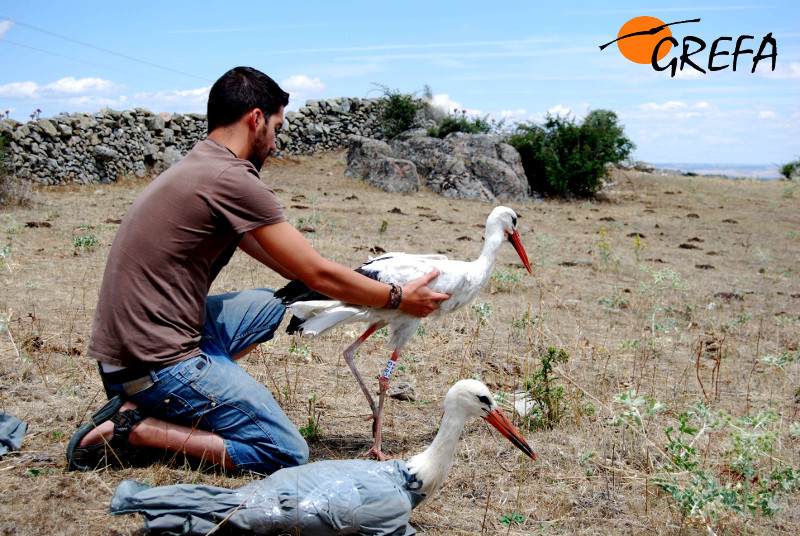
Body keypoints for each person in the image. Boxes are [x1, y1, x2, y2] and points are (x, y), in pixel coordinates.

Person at [66, 66, 450, 474]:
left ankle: (193, 400)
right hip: (153, 364)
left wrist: (353, 286)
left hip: (127, 353)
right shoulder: (232, 177)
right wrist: (398, 297)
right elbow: (317, 273)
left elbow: (296, 271)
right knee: (284, 451)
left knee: (270, 305)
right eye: (276, 128)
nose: (274, 144)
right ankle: (137, 427)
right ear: (255, 119)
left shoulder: (200, 163)